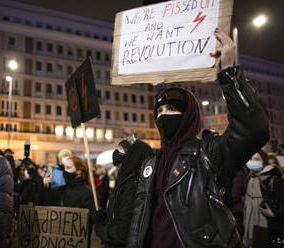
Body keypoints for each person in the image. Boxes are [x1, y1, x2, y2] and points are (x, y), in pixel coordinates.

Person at [127, 28, 269, 248]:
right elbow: (139, 217)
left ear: (188, 115)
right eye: (160, 110)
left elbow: (253, 129)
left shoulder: (207, 153)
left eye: (172, 108)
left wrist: (229, 72)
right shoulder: (150, 163)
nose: (163, 114)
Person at [91, 136, 153, 248]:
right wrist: (104, 217)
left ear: (132, 157)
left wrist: (101, 230)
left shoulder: (133, 187)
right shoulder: (124, 181)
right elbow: (117, 214)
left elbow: (123, 233)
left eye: (120, 151)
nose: (116, 154)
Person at [243, 150, 284, 248]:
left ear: (264, 161)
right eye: (250, 159)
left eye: (257, 159)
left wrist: (274, 214)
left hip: (269, 227)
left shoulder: (273, 180)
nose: (252, 162)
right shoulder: (251, 178)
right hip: (250, 227)